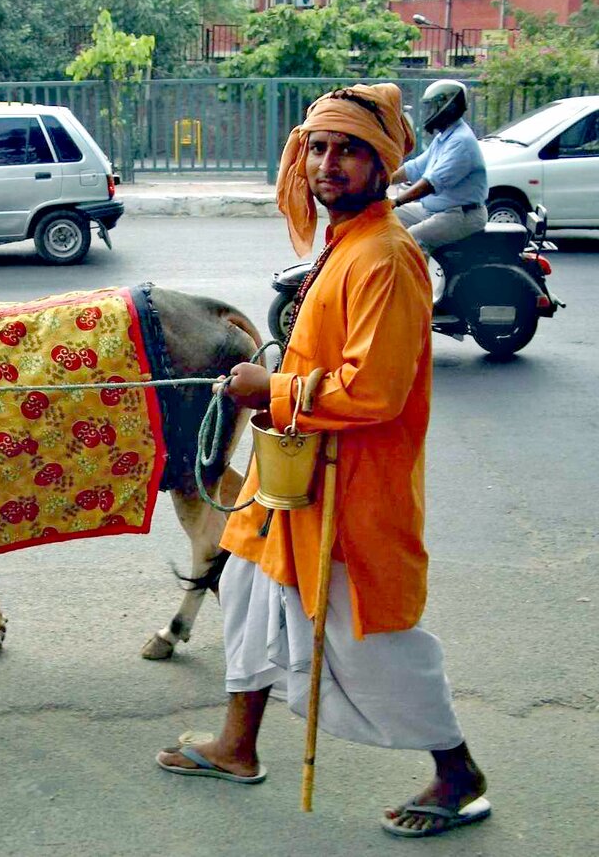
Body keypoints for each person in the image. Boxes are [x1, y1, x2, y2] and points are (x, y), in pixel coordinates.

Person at [155, 83, 490, 840]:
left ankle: (458, 772)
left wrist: (268, 388)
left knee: (367, 641)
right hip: (299, 480)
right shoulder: (340, 245)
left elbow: (374, 389)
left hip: (353, 489)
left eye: (348, 150)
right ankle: (238, 747)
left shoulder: (389, 257)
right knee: (241, 587)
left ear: (382, 163)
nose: (326, 164)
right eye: (317, 148)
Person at [391, 80, 488, 263]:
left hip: (462, 215)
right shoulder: (445, 136)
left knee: (411, 240)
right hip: (439, 210)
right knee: (390, 218)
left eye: (432, 107)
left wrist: (396, 201)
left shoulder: (461, 141)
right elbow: (416, 167)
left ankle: (418, 290)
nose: (428, 113)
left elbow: (430, 183)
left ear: (448, 107)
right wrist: (383, 181)